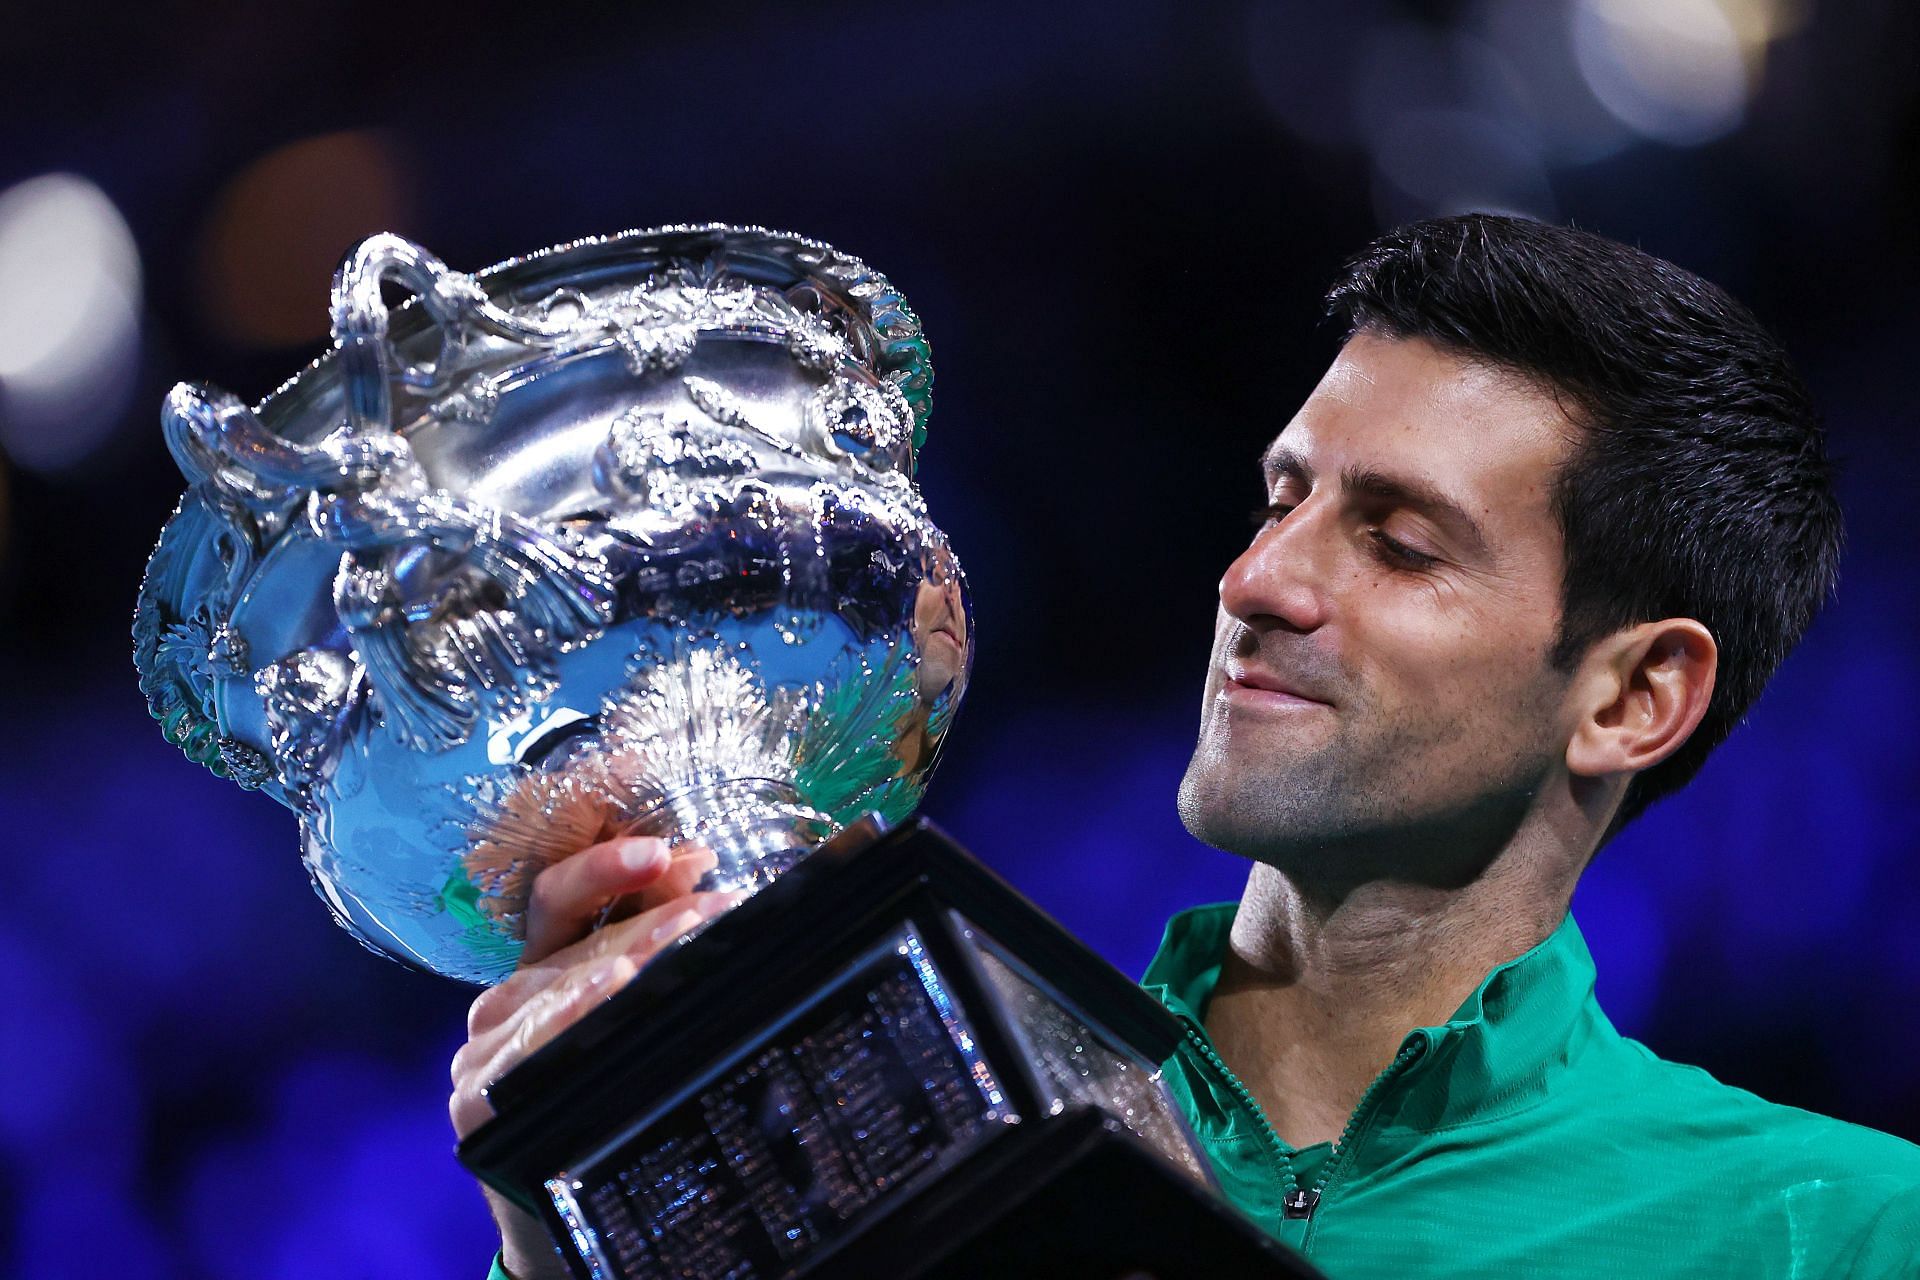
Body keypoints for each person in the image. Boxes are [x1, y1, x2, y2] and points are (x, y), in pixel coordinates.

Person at [450, 214, 1920, 1278]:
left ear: (1631, 697)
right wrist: (576, 1196)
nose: (1258, 581)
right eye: (1279, 500)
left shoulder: (1836, 1230)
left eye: (1398, 545)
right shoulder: (915, 1112)